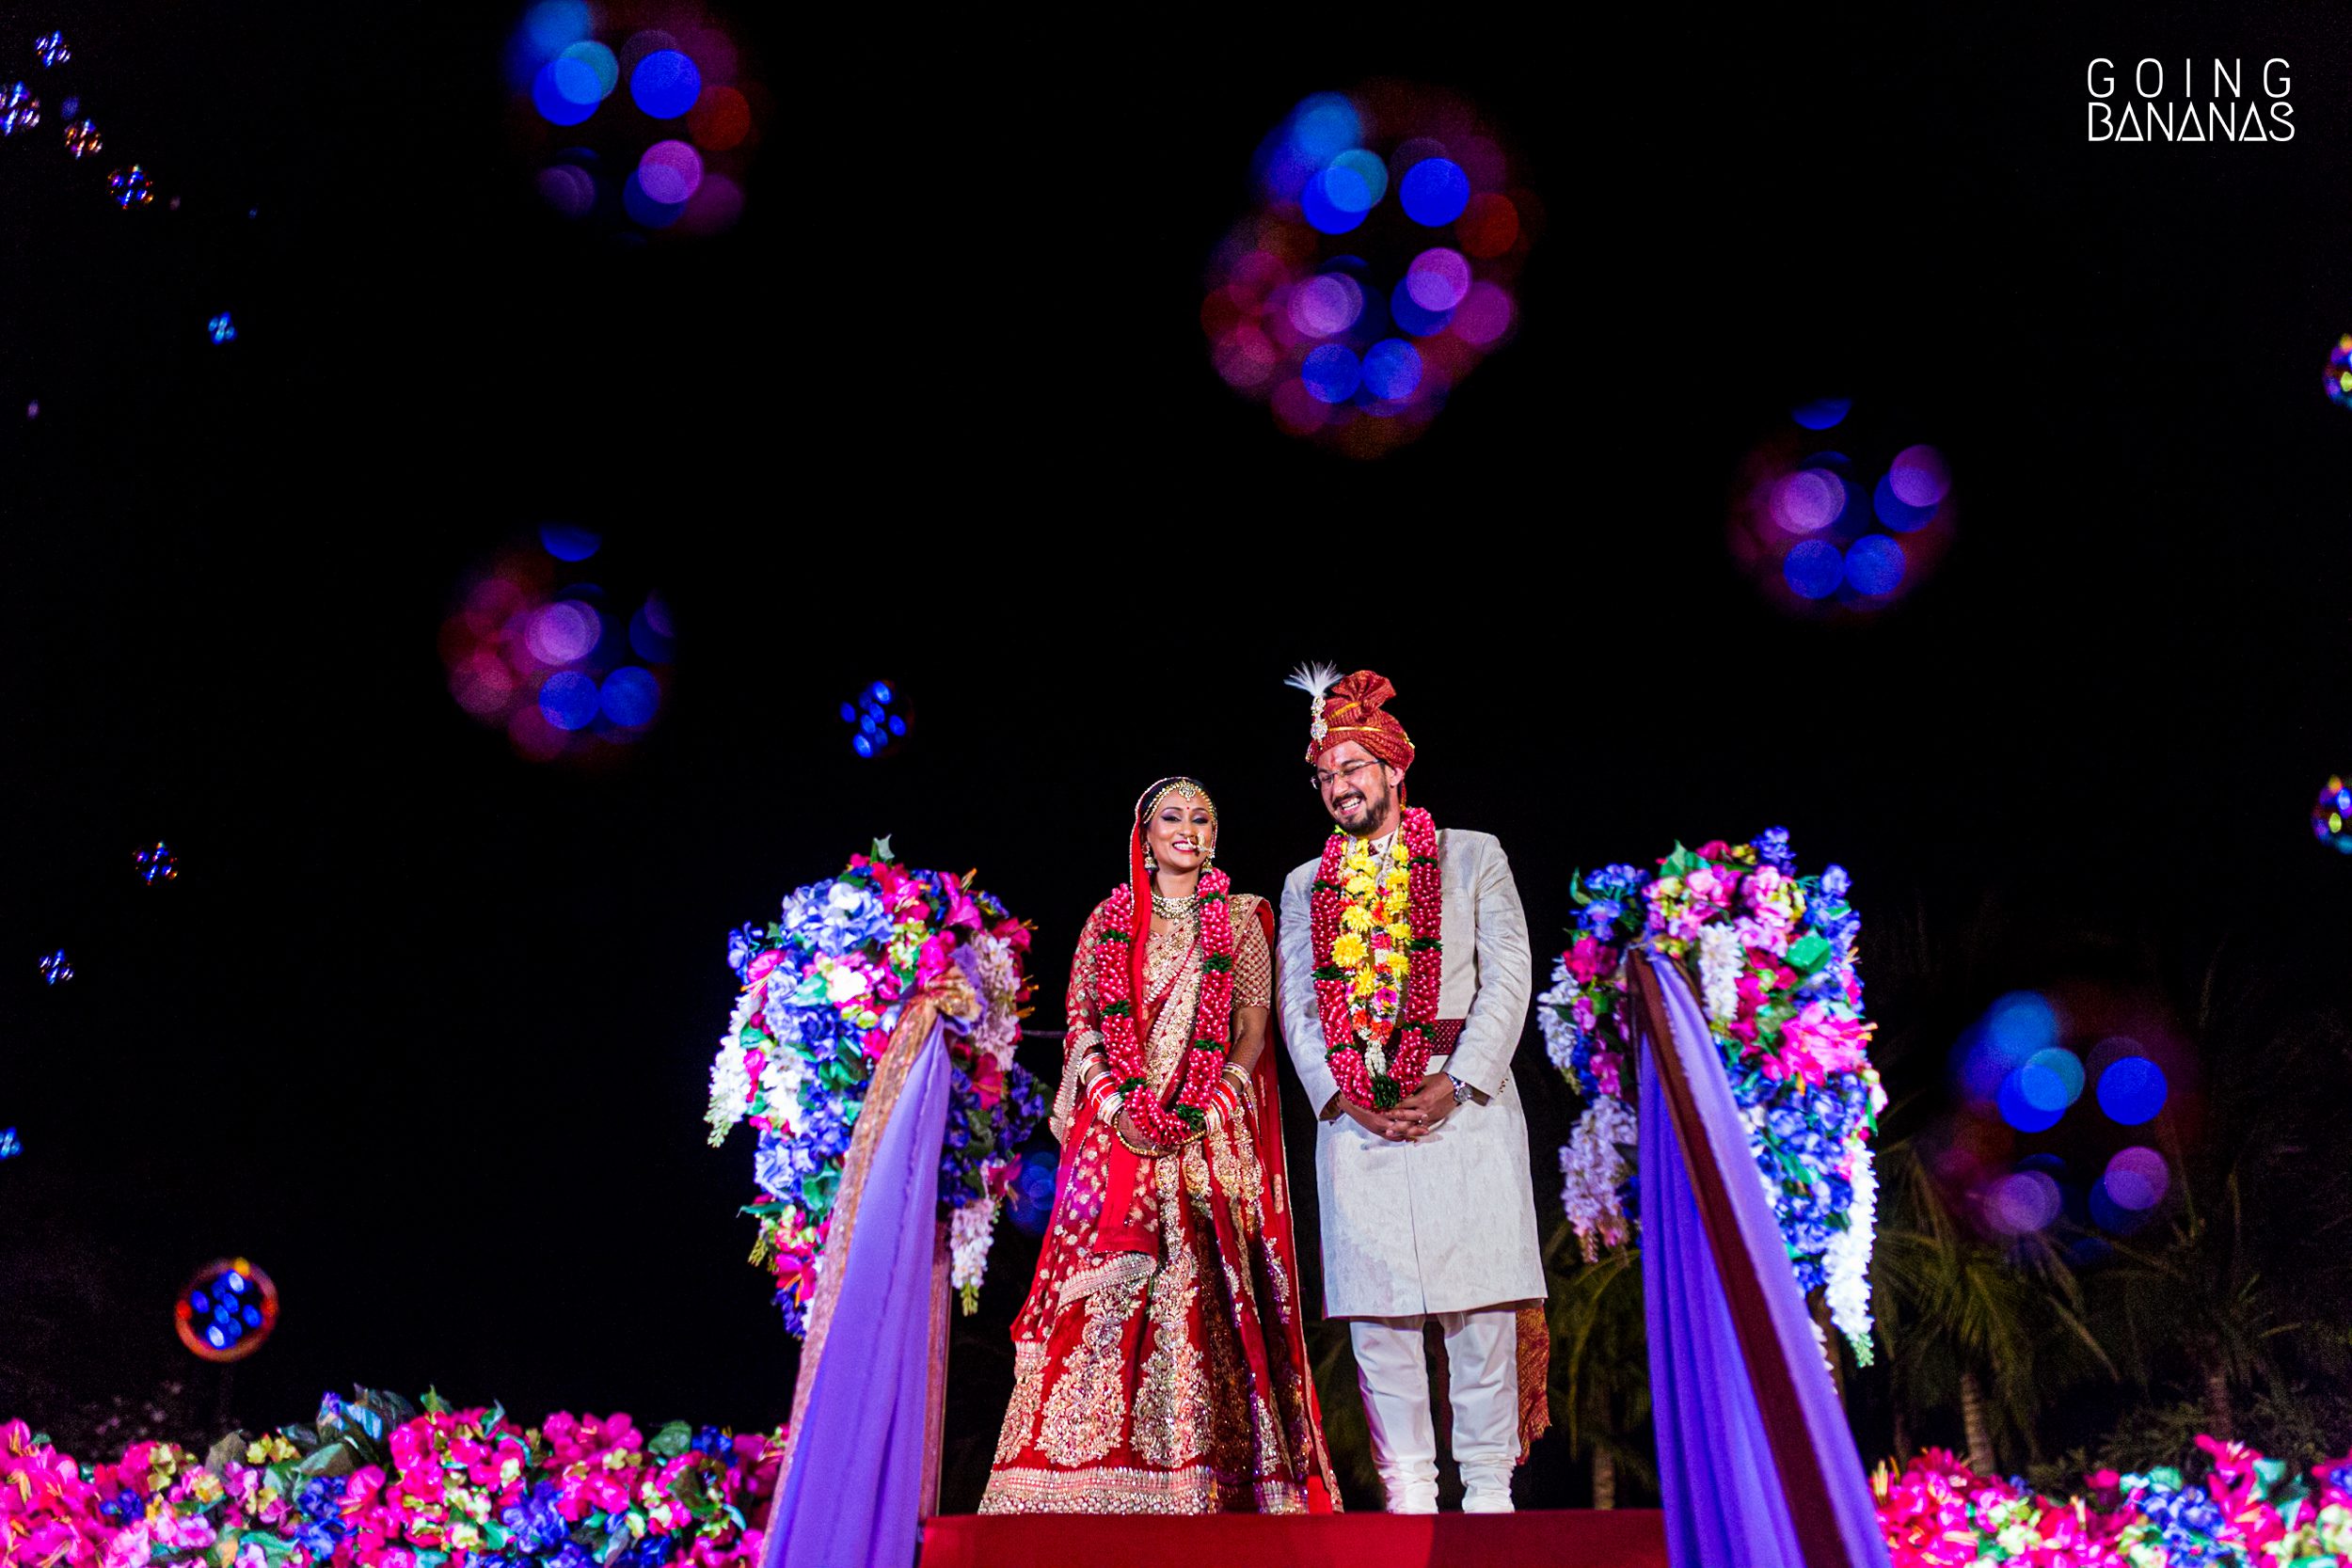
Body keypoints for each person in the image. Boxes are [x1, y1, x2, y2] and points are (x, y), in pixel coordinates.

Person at [980, 777, 1338, 1514]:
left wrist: (1207, 1109)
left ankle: (1207, 1484)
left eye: (1202, 817)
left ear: (1215, 834)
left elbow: (1250, 1027)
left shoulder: (1242, 920)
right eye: (1172, 817)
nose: (1188, 828)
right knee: (1109, 1291)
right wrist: (1118, 1109)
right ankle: (1070, 1489)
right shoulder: (1105, 921)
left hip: (1208, 1141)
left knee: (1202, 1290)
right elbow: (1082, 1023)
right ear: (1143, 835)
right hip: (1115, 1142)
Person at [1275, 667, 1549, 1514]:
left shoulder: (1473, 854)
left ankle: (1490, 1494)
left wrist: (1456, 1081)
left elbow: (1508, 978)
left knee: (1480, 1317)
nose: (1338, 786)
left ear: (1396, 767)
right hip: (1357, 1124)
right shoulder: (1303, 885)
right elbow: (1295, 998)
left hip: (1463, 1110)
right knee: (1381, 1323)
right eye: (1325, 774)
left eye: (1353, 767)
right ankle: (1410, 1498)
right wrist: (1340, 1094)